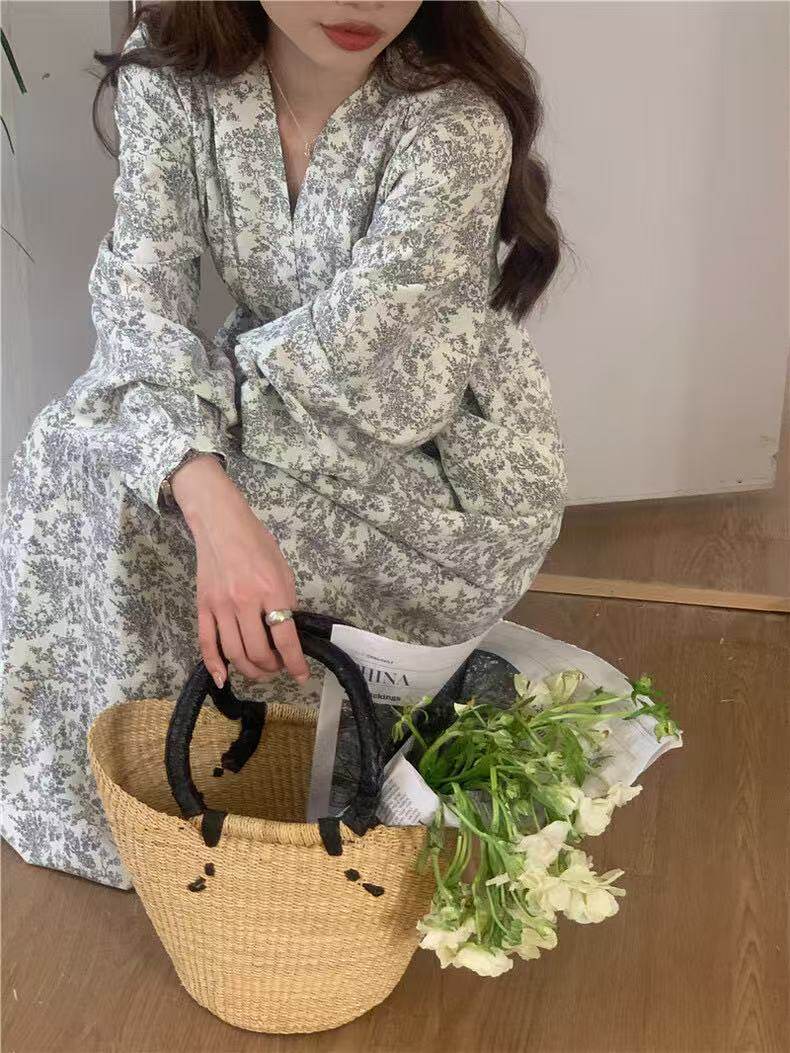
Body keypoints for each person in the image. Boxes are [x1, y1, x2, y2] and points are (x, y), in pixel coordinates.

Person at [0, 1, 568, 888]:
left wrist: (188, 412)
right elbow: (138, 301)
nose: (365, 2)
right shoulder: (176, 74)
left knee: (119, 450)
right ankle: (111, 795)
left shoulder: (454, 124)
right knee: (78, 445)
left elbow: (377, 386)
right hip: (272, 409)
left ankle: (207, 786)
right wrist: (205, 488)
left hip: (435, 477)